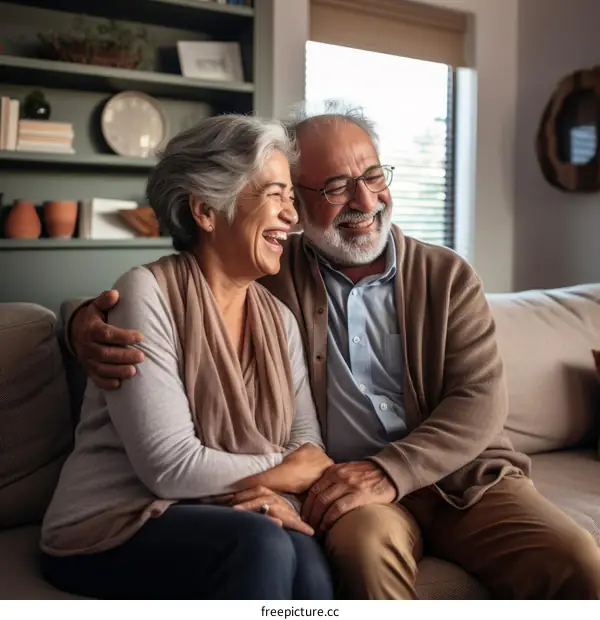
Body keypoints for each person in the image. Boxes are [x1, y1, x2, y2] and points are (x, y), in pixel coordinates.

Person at [67, 101, 600, 600]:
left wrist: (390, 471)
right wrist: (82, 321)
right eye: (338, 186)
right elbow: (195, 272)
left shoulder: (446, 276)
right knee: (363, 555)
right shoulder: (272, 272)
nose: (365, 201)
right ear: (299, 200)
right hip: (345, 489)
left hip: (463, 480)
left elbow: (480, 401)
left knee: (579, 560)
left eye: (372, 176)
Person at [39, 114, 335, 601]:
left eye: (291, 197)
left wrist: (274, 494)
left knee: (309, 563)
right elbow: (170, 468)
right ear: (205, 210)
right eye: (275, 194)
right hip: (111, 522)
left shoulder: (279, 319)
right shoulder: (144, 292)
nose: (293, 216)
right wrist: (284, 474)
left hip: (223, 512)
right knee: (263, 546)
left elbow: (308, 447)